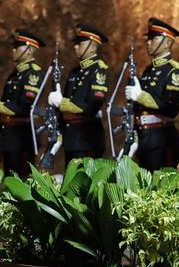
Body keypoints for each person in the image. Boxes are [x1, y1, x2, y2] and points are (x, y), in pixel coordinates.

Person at [125, 18, 179, 171]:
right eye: (148, 39)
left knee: (161, 190)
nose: (148, 42)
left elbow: (171, 108)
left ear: (167, 42)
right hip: (145, 137)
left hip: (162, 138)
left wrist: (140, 96)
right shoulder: (148, 71)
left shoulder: (173, 70)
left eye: (154, 38)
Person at [48, 24, 109, 165]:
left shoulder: (98, 71)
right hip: (71, 139)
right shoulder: (74, 73)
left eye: (80, 43)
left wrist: (61, 103)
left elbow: (92, 106)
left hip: (87, 139)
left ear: (93, 47)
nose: (75, 47)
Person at [1, 30, 46, 178]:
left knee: (21, 180)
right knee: (8, 179)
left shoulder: (32, 74)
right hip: (8, 137)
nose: (13, 50)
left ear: (29, 49)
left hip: (21, 137)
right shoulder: (15, 74)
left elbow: (26, 107)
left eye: (17, 47)